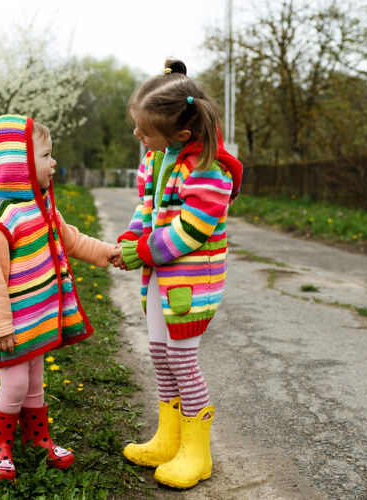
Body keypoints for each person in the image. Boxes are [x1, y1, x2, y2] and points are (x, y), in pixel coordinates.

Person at [113, 59, 243, 489]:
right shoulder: (156, 159)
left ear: (183, 134)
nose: (138, 136)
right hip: (160, 276)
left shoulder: (209, 171)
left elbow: (190, 231)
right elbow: (146, 209)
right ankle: (168, 439)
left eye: (145, 130)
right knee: (160, 354)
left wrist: (144, 252)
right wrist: (133, 239)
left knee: (183, 359)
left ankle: (197, 453)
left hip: (191, 280)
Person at [0, 114, 121, 482]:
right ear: (18, 164)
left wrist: (109, 253)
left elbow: (72, 239)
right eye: (46, 155)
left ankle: (38, 441)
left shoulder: (42, 207)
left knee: (35, 381)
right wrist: (0, 326)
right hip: (8, 324)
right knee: (16, 383)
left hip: (35, 318)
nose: (53, 163)